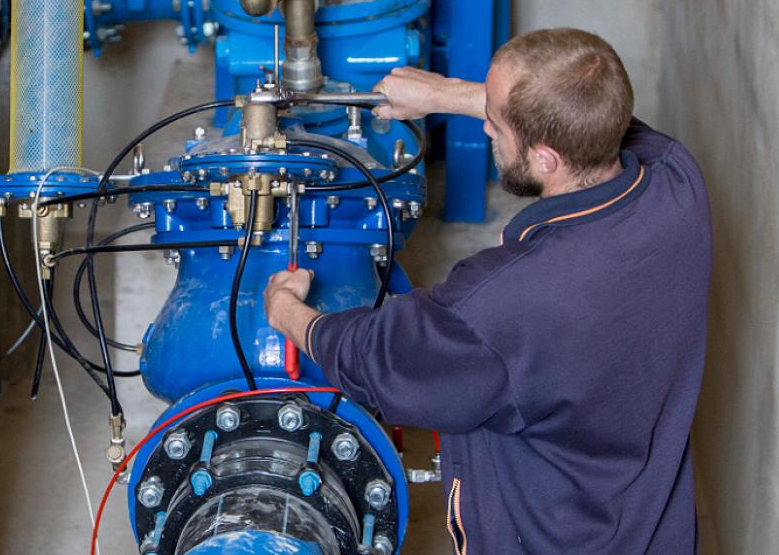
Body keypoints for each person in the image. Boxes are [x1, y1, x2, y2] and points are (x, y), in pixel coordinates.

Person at [265, 28, 709, 554]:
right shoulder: (678, 186)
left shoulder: (506, 302)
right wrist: (444, 93)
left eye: (496, 127)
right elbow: (595, 117)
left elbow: (381, 361)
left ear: (546, 158)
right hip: (656, 527)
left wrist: (288, 312)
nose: (489, 132)